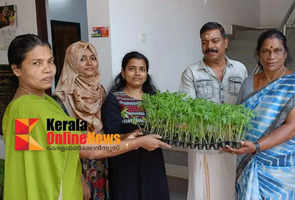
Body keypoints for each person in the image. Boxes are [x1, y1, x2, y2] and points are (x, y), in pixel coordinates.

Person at [2, 34, 170, 200]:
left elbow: (45, 148)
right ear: (16, 69)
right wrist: (137, 143)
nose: (47, 69)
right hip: (50, 192)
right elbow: (88, 148)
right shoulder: (35, 108)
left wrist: (122, 137)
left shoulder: (25, 106)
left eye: (50, 61)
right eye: (36, 63)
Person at [222, 29, 295, 200]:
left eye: (277, 51)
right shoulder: (248, 83)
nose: (271, 56)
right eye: (265, 51)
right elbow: (239, 120)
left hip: (282, 169)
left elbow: (294, 127)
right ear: (258, 54)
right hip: (248, 160)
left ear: (285, 54)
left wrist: (257, 147)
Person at [179, 22, 248, 200]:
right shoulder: (191, 72)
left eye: (215, 40)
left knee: (230, 187)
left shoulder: (240, 69)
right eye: (204, 42)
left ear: (225, 42)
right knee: (202, 190)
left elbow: (246, 103)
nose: (210, 46)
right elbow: (187, 109)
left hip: (232, 141)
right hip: (203, 142)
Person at [102, 51, 170, 200]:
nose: (137, 73)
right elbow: (111, 135)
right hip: (124, 162)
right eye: (132, 69)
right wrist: (133, 138)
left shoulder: (155, 99)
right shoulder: (114, 99)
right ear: (123, 72)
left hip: (152, 162)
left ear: (146, 73)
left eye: (142, 69)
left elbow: (166, 126)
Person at [54, 41, 108, 200]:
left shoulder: (101, 91)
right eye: (83, 59)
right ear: (72, 62)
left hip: (102, 160)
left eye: (93, 58)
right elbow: (62, 144)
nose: (90, 63)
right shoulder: (62, 98)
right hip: (76, 165)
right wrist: (80, 178)